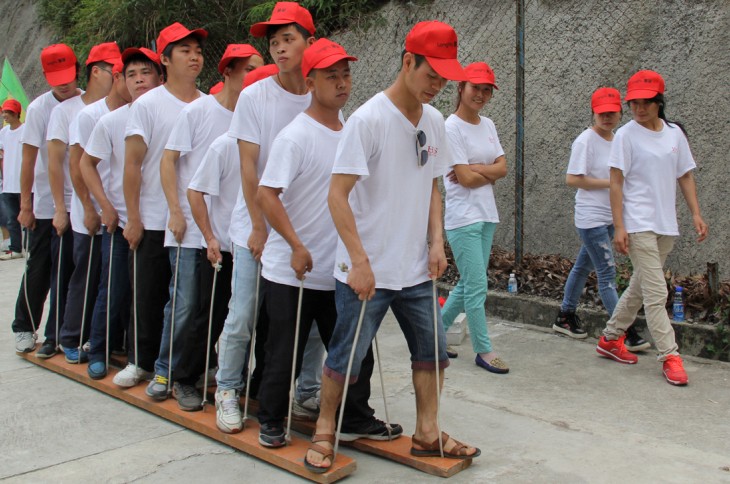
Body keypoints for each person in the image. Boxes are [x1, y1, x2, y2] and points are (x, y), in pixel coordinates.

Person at [305, 21, 480, 473]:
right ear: (408, 62)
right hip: (369, 269)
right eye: (431, 74)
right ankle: (325, 429)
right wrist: (360, 261)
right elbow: (336, 195)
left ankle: (426, 433)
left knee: (434, 352)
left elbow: (433, 189)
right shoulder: (368, 120)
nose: (438, 86)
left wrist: (436, 243)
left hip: (417, 268)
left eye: (445, 78)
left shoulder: (436, 121)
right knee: (347, 355)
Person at [214, 1, 322, 434]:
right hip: (256, 227)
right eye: (274, 42)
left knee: (310, 319)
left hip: (307, 228)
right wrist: (258, 225)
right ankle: (227, 389)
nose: (279, 48)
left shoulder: (320, 93)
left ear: (309, 43)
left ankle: (308, 390)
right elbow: (248, 166)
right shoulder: (255, 97)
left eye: (288, 39)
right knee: (243, 314)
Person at [159, 43, 263, 410]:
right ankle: (184, 378)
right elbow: (190, 182)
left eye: (259, 69)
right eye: (248, 69)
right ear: (227, 73)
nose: (254, 77)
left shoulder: (263, 120)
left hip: (258, 241)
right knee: (208, 314)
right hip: (220, 239)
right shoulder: (204, 117)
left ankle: (242, 383)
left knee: (253, 319)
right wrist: (206, 234)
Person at [597, 70, 708, 386]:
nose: (638, 109)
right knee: (657, 291)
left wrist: (696, 215)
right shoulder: (626, 136)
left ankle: (610, 338)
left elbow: (684, 175)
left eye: (645, 103)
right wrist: (619, 226)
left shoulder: (674, 134)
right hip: (638, 224)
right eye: (633, 103)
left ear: (659, 102)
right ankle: (670, 356)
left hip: (665, 224)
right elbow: (616, 183)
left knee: (640, 285)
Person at [121, 22, 206, 390]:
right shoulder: (147, 105)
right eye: (185, 51)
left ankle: (190, 365)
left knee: (191, 302)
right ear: (165, 60)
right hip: (155, 215)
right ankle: (141, 362)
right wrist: (134, 217)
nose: (194, 57)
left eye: (198, 51)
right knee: (149, 294)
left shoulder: (207, 104)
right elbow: (132, 165)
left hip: (196, 221)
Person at [81, 48, 162, 379]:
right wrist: (105, 206)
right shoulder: (111, 121)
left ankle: (154, 358)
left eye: (146, 72)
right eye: (131, 75)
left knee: (154, 296)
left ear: (160, 76)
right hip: (120, 223)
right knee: (113, 290)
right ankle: (98, 348)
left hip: (160, 222)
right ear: (121, 81)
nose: (139, 79)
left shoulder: (176, 112)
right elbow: (86, 164)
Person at [553, 87, 650, 351]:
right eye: (602, 113)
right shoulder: (585, 140)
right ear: (593, 113)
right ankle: (623, 330)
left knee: (583, 267)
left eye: (612, 113)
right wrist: (610, 183)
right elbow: (572, 178)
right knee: (607, 273)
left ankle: (564, 316)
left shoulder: (617, 139)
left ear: (620, 113)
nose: (607, 117)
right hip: (591, 218)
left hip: (611, 218)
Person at [48, 42, 122, 363]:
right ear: (97, 72)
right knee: (86, 276)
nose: (121, 78)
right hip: (88, 214)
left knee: (107, 280)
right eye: (116, 72)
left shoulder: (123, 110)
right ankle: (69, 337)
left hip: (116, 211)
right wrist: (87, 208)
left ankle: (102, 339)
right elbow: (74, 165)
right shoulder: (79, 113)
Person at [439, 62, 509, 373]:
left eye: (486, 89)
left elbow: (502, 168)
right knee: (477, 285)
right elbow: (463, 180)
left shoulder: (488, 125)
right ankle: (484, 350)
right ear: (461, 88)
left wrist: (475, 168)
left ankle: (435, 334)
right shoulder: (449, 127)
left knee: (469, 284)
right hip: (462, 217)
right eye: (475, 87)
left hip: (486, 213)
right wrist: (486, 171)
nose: (480, 94)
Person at [13, 44, 82, 356]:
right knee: (39, 267)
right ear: (45, 76)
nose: (63, 83)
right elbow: (28, 161)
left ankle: (60, 333)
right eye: (56, 78)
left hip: (76, 203)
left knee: (67, 271)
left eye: (67, 75)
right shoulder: (40, 109)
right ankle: (24, 326)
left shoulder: (85, 102)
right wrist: (26, 206)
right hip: (43, 204)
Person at [0, 99, 25, 260]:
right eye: (4, 112)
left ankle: (31, 247)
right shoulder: (3, 132)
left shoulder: (26, 130)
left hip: (23, 183)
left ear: (17, 113)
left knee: (29, 218)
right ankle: (15, 249)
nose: (5, 115)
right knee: (11, 219)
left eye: (8, 112)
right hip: (8, 183)